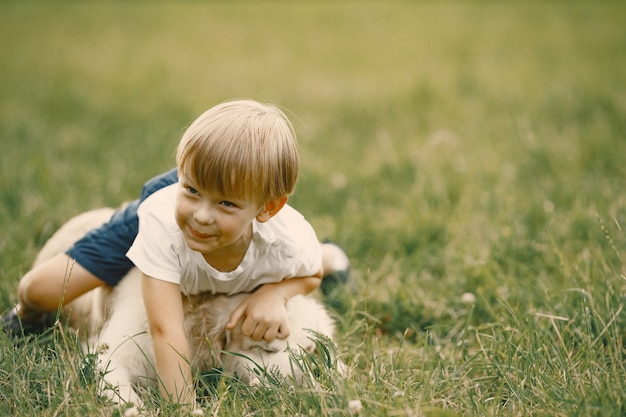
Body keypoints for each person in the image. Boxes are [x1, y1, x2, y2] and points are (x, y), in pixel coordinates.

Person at [2, 99, 325, 405]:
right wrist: (182, 407)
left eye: (227, 203)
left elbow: (312, 273)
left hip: (197, 206)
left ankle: (205, 192)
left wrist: (276, 293)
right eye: (194, 189)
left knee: (212, 210)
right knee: (38, 290)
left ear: (268, 209)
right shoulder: (161, 225)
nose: (202, 215)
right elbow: (165, 329)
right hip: (164, 215)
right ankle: (26, 317)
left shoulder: (289, 237)